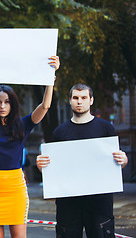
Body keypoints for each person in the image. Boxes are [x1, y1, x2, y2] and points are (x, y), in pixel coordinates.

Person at [0, 54, 60, 238]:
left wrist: (50, 78)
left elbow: (45, 106)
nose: (2, 106)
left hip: (16, 187)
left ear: (12, 104)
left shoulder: (24, 124)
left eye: (6, 102)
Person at [36, 83, 128, 238]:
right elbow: (52, 169)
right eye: (76, 98)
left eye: (84, 97)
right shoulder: (59, 132)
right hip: (68, 203)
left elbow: (116, 164)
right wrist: (41, 166)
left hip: (99, 202)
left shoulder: (106, 129)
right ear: (70, 101)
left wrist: (123, 161)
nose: (79, 101)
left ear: (91, 100)